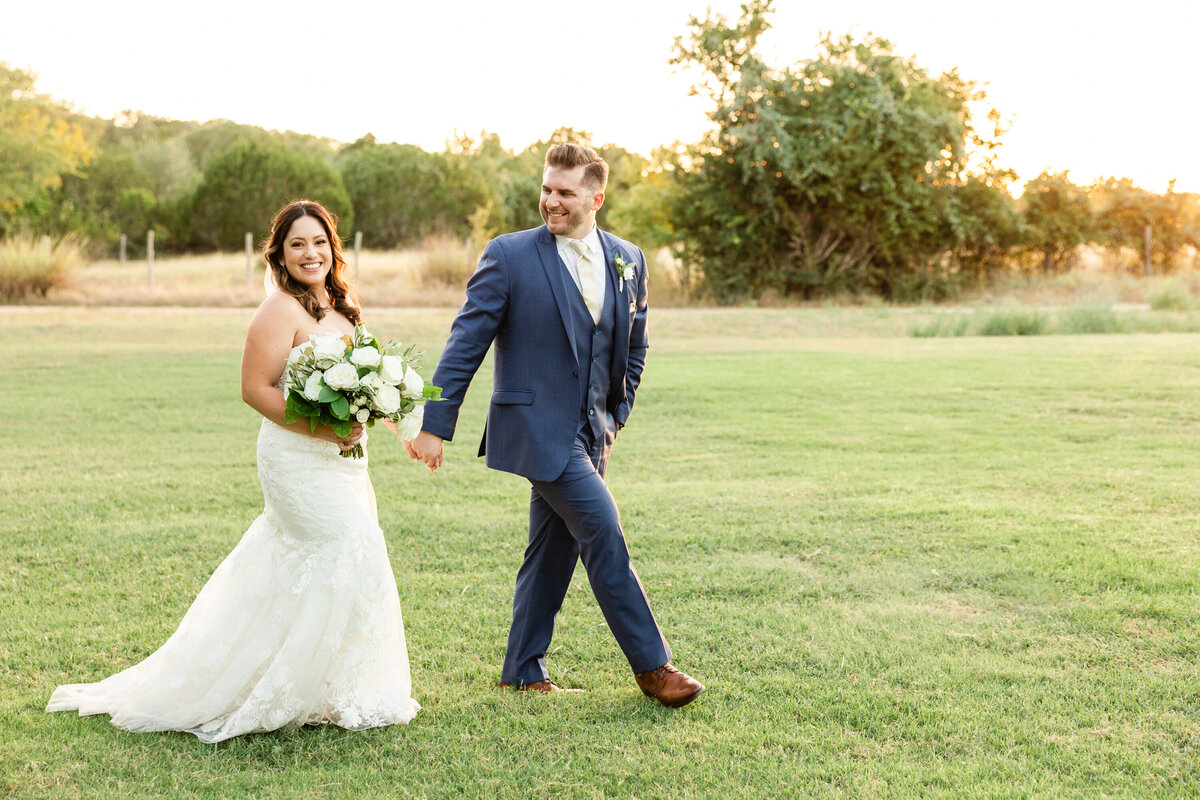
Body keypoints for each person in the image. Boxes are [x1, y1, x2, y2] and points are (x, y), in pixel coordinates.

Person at [46, 200, 420, 742]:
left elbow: (371, 390)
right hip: (296, 460)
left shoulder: (346, 310)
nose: (310, 253)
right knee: (354, 548)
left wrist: (401, 431)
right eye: (297, 244)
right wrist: (321, 431)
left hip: (344, 466)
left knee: (332, 560)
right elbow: (255, 389)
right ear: (281, 255)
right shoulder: (278, 311)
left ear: (332, 249)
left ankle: (331, 691)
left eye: (319, 242)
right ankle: (295, 689)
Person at [406, 144, 703, 707]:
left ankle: (521, 668)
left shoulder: (628, 258)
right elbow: (465, 341)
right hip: (535, 428)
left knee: (552, 548)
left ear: (596, 197)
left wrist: (616, 414)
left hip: (594, 431)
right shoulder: (510, 255)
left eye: (564, 192)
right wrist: (435, 423)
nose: (551, 201)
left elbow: (634, 346)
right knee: (602, 529)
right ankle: (654, 668)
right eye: (546, 189)